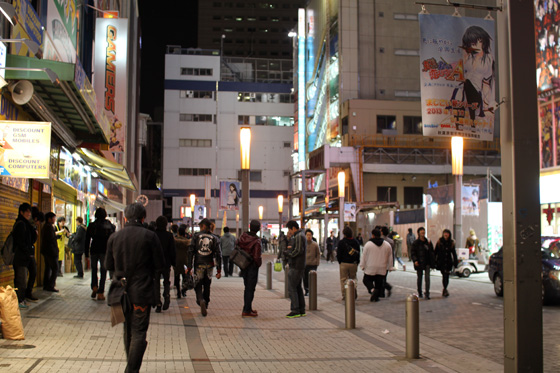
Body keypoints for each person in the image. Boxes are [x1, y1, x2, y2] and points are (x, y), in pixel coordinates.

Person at [105, 202, 164, 373]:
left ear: (125, 217)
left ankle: (131, 368)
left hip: (120, 291)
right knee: (139, 331)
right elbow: (160, 264)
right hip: (142, 290)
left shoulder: (115, 237)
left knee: (127, 329)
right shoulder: (150, 236)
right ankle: (131, 370)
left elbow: (109, 264)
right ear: (143, 217)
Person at [187, 218, 222, 317]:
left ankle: (200, 300)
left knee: (198, 284)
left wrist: (189, 267)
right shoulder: (215, 238)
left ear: (202, 226)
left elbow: (190, 251)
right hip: (210, 264)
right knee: (207, 283)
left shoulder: (196, 236)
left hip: (198, 263)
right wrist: (219, 270)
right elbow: (219, 254)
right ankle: (206, 302)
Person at [85, 208, 116, 301]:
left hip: (94, 249)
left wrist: (86, 253)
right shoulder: (110, 226)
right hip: (105, 250)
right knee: (103, 271)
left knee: (94, 270)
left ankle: (94, 286)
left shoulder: (91, 225)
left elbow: (87, 241)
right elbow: (112, 241)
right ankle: (100, 293)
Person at [12, 203, 37, 309]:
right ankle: (19, 300)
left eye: (29, 211)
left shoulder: (27, 224)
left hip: (27, 256)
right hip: (20, 257)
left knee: (28, 275)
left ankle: (24, 297)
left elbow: (32, 240)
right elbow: (21, 242)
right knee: (21, 279)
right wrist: (27, 252)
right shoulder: (20, 224)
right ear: (21, 212)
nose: (28, 213)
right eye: (26, 211)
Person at [238, 220, 262, 317]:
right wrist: (258, 264)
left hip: (243, 265)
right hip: (252, 266)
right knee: (250, 289)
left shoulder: (243, 237)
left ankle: (248, 307)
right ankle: (246, 310)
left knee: (247, 287)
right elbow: (256, 257)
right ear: (258, 229)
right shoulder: (256, 241)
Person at [361, 228, 393, 302]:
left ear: (373, 235)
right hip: (382, 268)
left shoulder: (368, 244)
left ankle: (372, 290)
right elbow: (390, 256)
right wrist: (390, 267)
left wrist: (362, 265)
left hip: (370, 267)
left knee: (366, 280)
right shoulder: (387, 245)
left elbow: (364, 256)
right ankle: (376, 297)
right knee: (378, 283)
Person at [284, 220, 306, 318]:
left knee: (292, 288)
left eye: (290, 229)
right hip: (299, 265)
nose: (290, 232)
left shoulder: (298, 236)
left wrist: (289, 254)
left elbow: (298, 250)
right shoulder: (300, 235)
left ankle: (295, 310)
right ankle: (301, 309)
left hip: (296, 265)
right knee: (297, 288)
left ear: (293, 228)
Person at [154, 216, 176, 313]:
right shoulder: (169, 236)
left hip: (155, 263)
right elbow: (172, 250)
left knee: (156, 282)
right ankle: (166, 295)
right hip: (166, 262)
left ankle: (158, 302)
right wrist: (173, 262)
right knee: (166, 281)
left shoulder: (153, 235)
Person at [337, 226, 360, 300]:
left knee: (344, 279)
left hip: (344, 263)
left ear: (344, 234)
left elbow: (338, 254)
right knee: (353, 278)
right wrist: (357, 262)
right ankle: (353, 290)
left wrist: (340, 261)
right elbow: (358, 253)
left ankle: (345, 295)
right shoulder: (356, 242)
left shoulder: (341, 242)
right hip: (353, 263)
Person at [410, 227, 435, 299]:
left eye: (423, 232)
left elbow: (431, 252)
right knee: (419, 278)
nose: (423, 233)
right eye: (421, 232)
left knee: (427, 278)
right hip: (419, 262)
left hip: (427, 262)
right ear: (418, 233)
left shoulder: (428, 242)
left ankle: (427, 293)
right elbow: (413, 253)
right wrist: (415, 260)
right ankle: (420, 292)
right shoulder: (416, 243)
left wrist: (433, 263)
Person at [435, 229, 459, 297]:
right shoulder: (440, 241)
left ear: (449, 235)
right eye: (444, 233)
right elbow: (435, 252)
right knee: (444, 275)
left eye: (447, 233)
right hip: (441, 262)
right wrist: (434, 262)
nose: (445, 235)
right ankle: (445, 289)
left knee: (446, 276)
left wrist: (455, 262)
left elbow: (454, 253)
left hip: (448, 262)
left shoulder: (451, 243)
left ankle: (445, 289)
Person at [41, 212, 59, 293]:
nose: (54, 219)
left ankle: (46, 285)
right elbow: (51, 240)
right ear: (49, 219)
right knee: (55, 268)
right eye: (53, 218)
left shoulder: (46, 227)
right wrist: (55, 251)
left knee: (48, 268)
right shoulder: (48, 227)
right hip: (50, 252)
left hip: (47, 251)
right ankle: (50, 285)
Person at [174, 224, 190, 298]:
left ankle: (178, 292)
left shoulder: (175, 241)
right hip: (185, 261)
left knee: (177, 277)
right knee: (185, 277)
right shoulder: (187, 242)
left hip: (176, 260)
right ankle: (184, 290)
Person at [303, 229, 320, 296]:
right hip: (305, 264)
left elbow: (318, 254)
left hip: (313, 264)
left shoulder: (315, 245)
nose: (309, 236)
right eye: (307, 235)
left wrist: (317, 262)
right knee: (305, 278)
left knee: (312, 278)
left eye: (310, 235)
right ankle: (306, 290)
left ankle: (312, 290)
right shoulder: (303, 244)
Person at [380, 226, 394, 298]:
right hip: (387, 262)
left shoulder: (380, 241)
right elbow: (392, 254)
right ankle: (382, 292)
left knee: (379, 278)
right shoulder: (391, 241)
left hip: (380, 261)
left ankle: (386, 288)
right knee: (383, 277)